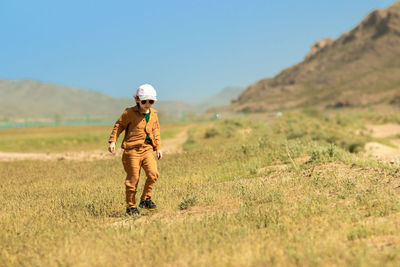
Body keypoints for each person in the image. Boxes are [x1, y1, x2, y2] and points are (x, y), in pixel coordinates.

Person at [108, 84, 163, 215]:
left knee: (153, 174)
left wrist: (158, 148)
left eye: (151, 101)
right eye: (144, 101)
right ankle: (131, 207)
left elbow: (156, 131)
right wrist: (112, 141)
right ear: (137, 99)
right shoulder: (129, 113)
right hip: (131, 151)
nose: (148, 104)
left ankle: (145, 199)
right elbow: (119, 126)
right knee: (133, 179)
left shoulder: (154, 114)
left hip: (147, 150)